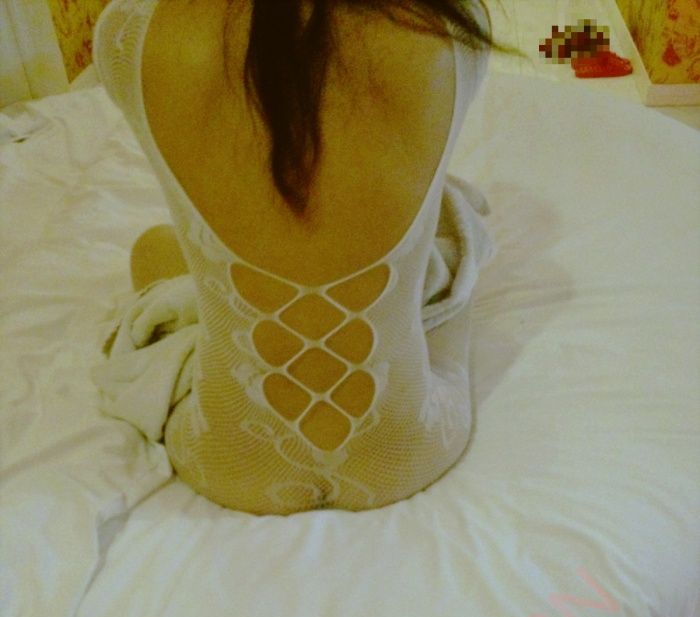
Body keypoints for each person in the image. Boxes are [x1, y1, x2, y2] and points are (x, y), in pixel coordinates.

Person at [92, 0, 507, 514]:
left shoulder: (130, 33)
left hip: (226, 461)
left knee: (152, 250)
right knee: (448, 229)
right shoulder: (451, 23)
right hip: (411, 450)